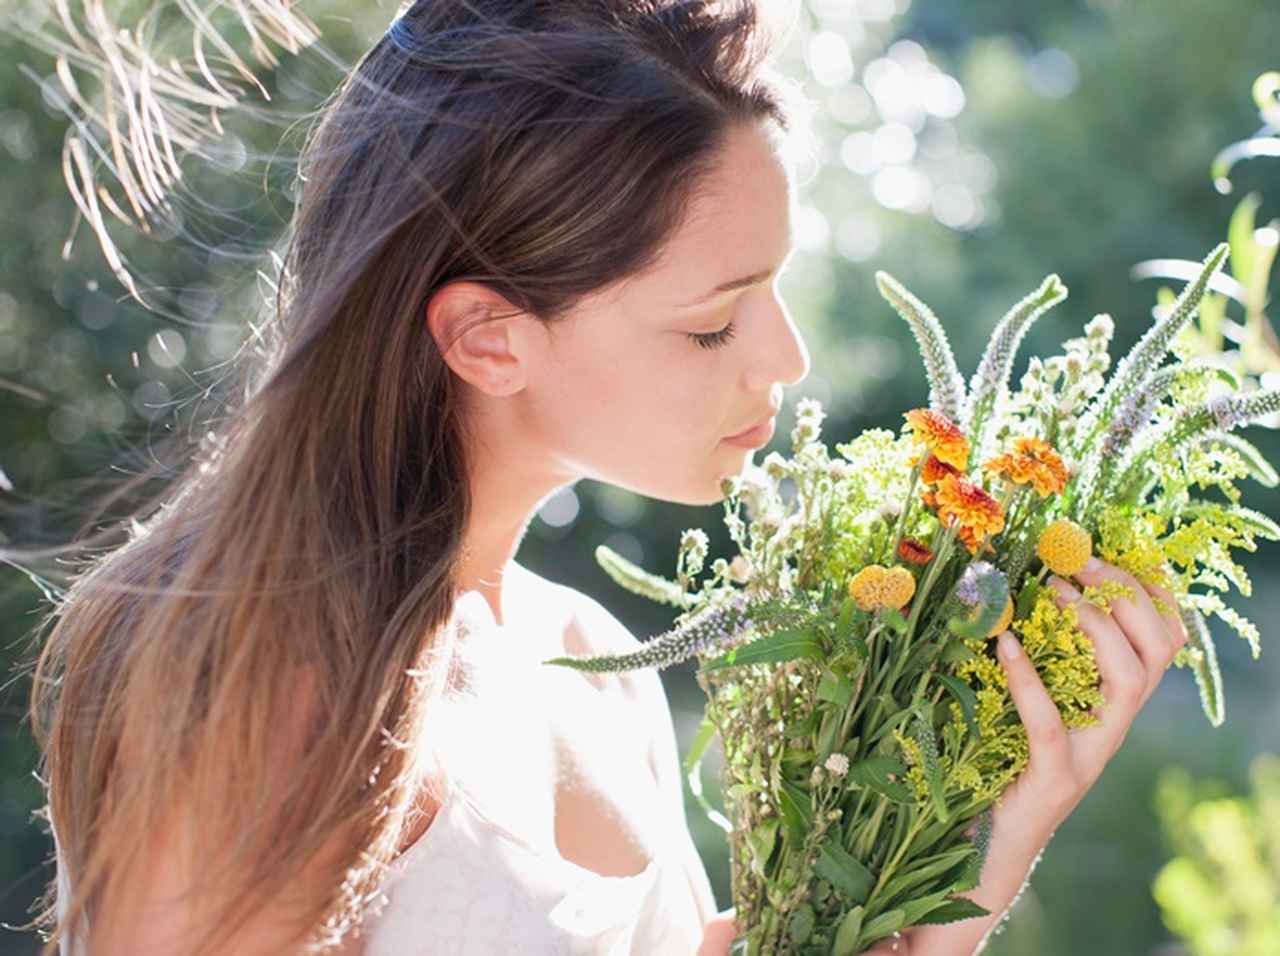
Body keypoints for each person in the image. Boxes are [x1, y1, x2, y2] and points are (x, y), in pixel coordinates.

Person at [8, 1, 1189, 954]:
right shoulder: (266, 679)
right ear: (486, 338)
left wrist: (977, 857)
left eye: (772, 286)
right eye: (712, 323)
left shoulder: (591, 659)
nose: (786, 358)